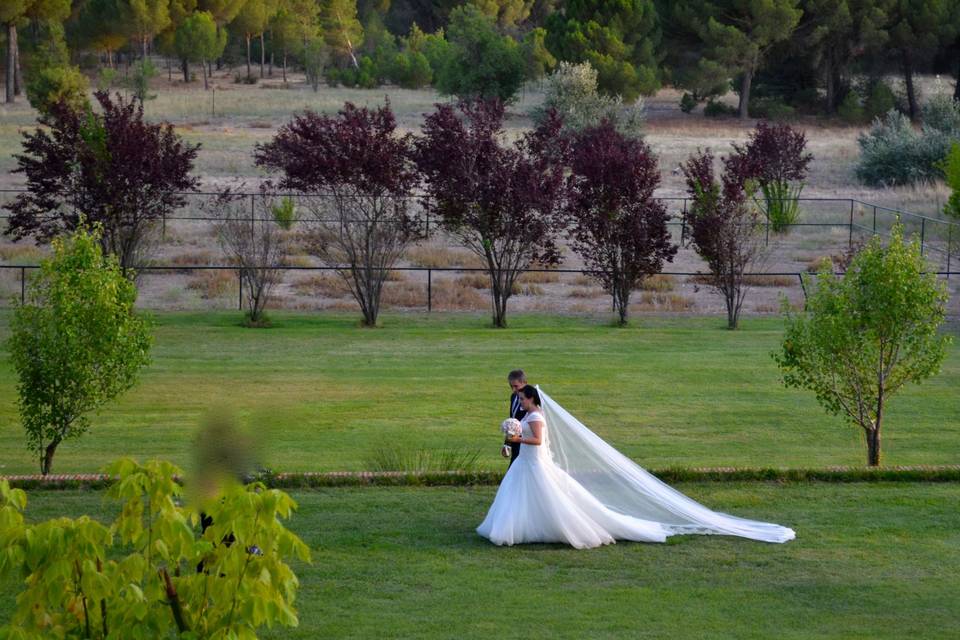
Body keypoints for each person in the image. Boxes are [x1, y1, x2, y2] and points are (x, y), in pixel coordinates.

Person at [477, 385, 796, 549]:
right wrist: (513, 436)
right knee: (521, 496)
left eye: (522, 397)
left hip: (535, 463)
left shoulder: (536, 417)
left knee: (551, 498)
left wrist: (516, 437)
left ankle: (550, 530)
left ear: (531, 399)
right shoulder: (527, 416)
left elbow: (539, 442)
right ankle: (517, 530)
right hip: (526, 466)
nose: (519, 402)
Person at [502, 369, 528, 466]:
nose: (513, 389)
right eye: (511, 386)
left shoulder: (531, 400)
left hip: (526, 444)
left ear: (524, 383)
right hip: (515, 444)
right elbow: (512, 422)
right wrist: (507, 444)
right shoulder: (513, 397)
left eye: (516, 386)